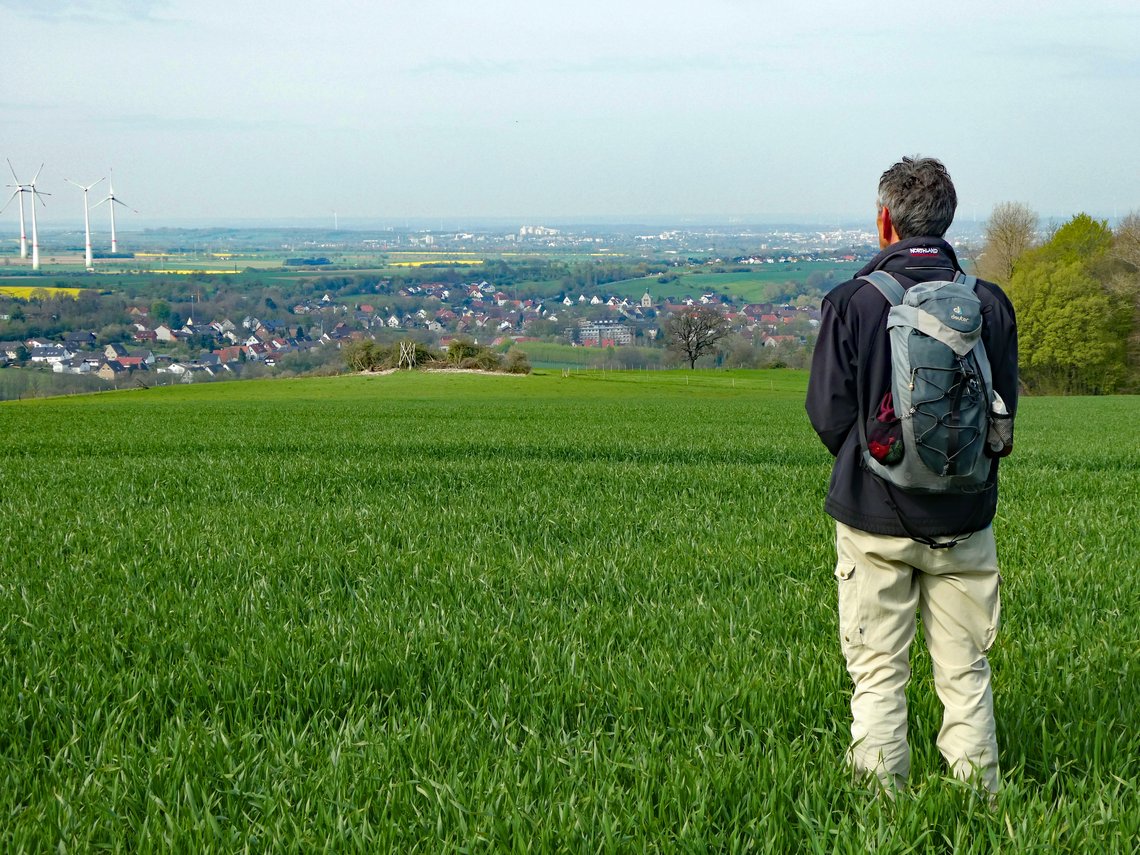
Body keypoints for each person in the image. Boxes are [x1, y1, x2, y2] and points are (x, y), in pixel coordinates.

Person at [805, 156, 1018, 795]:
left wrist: (880, 463)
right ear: (947, 222)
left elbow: (828, 414)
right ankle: (979, 797)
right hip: (964, 520)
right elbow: (1000, 414)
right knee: (966, 669)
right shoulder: (989, 304)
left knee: (877, 672)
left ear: (884, 221)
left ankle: (879, 803)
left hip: (874, 519)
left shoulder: (851, 302)